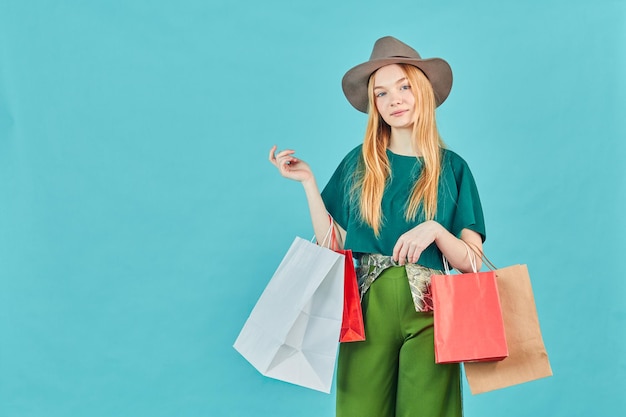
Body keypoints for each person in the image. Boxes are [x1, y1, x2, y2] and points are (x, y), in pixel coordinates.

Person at [269, 36, 485, 417]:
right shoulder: (359, 164)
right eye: (382, 94)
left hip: (432, 313)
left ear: (422, 91)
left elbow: (472, 263)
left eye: (403, 87)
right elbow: (332, 242)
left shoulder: (454, 169)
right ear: (374, 105)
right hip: (367, 311)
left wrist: (435, 229)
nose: (394, 100)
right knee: (359, 411)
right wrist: (308, 184)